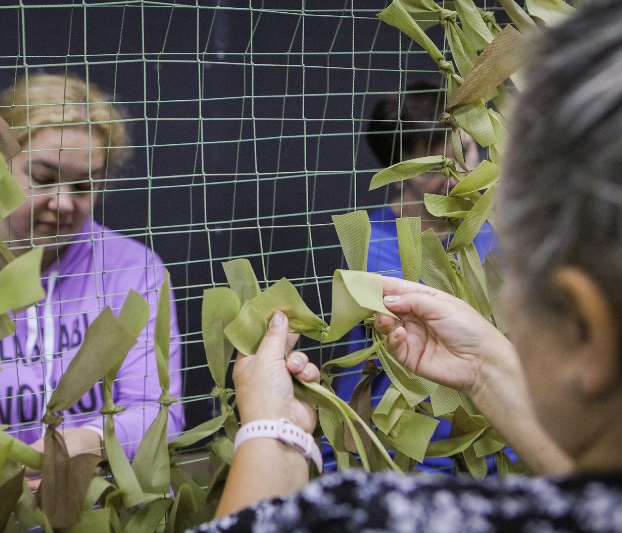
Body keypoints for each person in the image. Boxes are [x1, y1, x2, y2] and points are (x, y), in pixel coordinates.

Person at [191, 1, 622, 530]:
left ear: (586, 326)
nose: (457, 164)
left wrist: (270, 429)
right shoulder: (371, 244)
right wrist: (485, 370)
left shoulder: (490, 233)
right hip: (410, 441)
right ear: (401, 165)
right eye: (437, 155)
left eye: (465, 147)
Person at [0, 73, 184, 520]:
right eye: (44, 177)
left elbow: (158, 410)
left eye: (84, 186)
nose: (63, 203)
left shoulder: (134, 271)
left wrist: (87, 442)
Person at [329, 80, 496, 473]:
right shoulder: (372, 247)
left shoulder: (498, 227)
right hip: (414, 455)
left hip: (500, 444)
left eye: (466, 150)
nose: (458, 174)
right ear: (397, 173)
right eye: (437, 166)